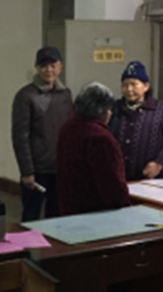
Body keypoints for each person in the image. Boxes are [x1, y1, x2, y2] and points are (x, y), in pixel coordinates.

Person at [11, 46, 73, 221]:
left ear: (60, 67)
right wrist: (27, 171)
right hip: (37, 170)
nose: (49, 69)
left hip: (60, 168)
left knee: (57, 218)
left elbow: (70, 131)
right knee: (31, 217)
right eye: (44, 65)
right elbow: (20, 136)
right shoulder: (25, 96)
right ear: (37, 68)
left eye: (53, 65)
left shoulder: (65, 95)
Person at [56, 82, 131, 216]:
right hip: (96, 212)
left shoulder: (68, 127)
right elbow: (111, 183)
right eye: (109, 109)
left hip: (69, 206)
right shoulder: (100, 137)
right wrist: (125, 208)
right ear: (100, 111)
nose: (110, 113)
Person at [109, 61, 163, 181]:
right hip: (117, 178)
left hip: (151, 180)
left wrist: (159, 163)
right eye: (125, 85)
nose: (129, 89)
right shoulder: (113, 109)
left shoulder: (162, 110)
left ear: (146, 86)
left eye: (134, 84)